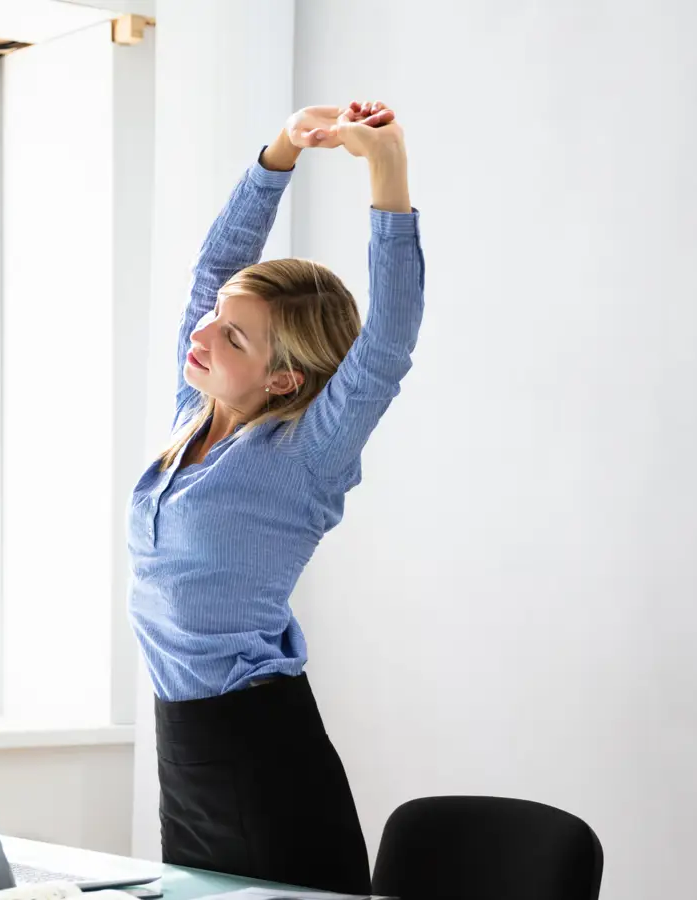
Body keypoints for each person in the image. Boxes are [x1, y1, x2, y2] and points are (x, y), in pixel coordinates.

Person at [127, 100, 425, 893]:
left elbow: (387, 343)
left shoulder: (306, 454)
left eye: (232, 336)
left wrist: (385, 168)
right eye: (216, 320)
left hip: (260, 749)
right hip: (184, 742)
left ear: (283, 377)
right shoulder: (196, 412)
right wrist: (282, 149)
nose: (201, 333)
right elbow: (213, 266)